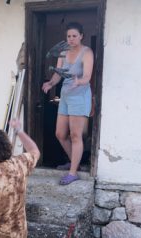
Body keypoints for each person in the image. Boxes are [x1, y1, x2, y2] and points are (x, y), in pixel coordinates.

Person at [41, 22, 94, 186]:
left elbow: (87, 76)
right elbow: (59, 74)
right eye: (69, 36)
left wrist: (79, 81)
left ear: (81, 36)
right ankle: (75, 163)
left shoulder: (87, 52)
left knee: (75, 135)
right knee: (60, 134)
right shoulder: (63, 52)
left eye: (74, 36)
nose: (71, 39)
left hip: (80, 96)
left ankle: (73, 172)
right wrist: (50, 83)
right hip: (65, 96)